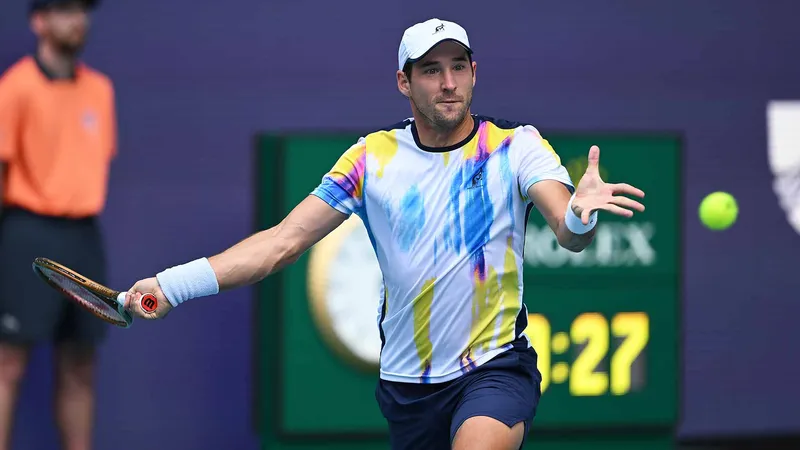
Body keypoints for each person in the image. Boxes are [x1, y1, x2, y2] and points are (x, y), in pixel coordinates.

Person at [123, 18, 645, 450]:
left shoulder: (518, 147)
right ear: (404, 82)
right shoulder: (371, 158)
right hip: (407, 387)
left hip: (494, 366)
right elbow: (281, 243)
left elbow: (568, 231)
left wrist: (580, 215)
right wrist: (172, 286)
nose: (448, 83)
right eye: (431, 70)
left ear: (474, 73)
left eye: (459, 67)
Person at [0, 0, 115, 449]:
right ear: (38, 21)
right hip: (25, 233)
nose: (76, 20)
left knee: (81, 364)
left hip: (83, 236)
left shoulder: (100, 91)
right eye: (64, 9)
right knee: (8, 364)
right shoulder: (14, 88)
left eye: (82, 10)